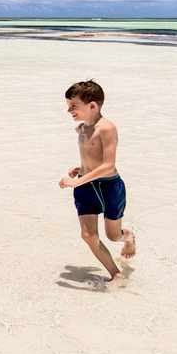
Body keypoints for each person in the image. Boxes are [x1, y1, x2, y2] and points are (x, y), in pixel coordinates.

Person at [58, 80, 137, 285]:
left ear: (92, 105)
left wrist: (76, 182)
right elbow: (91, 157)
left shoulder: (107, 128)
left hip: (109, 186)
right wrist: (80, 168)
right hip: (86, 186)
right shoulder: (81, 129)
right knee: (88, 235)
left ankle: (127, 236)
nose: (69, 111)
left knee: (112, 236)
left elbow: (108, 165)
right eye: (68, 106)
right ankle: (115, 273)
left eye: (73, 106)